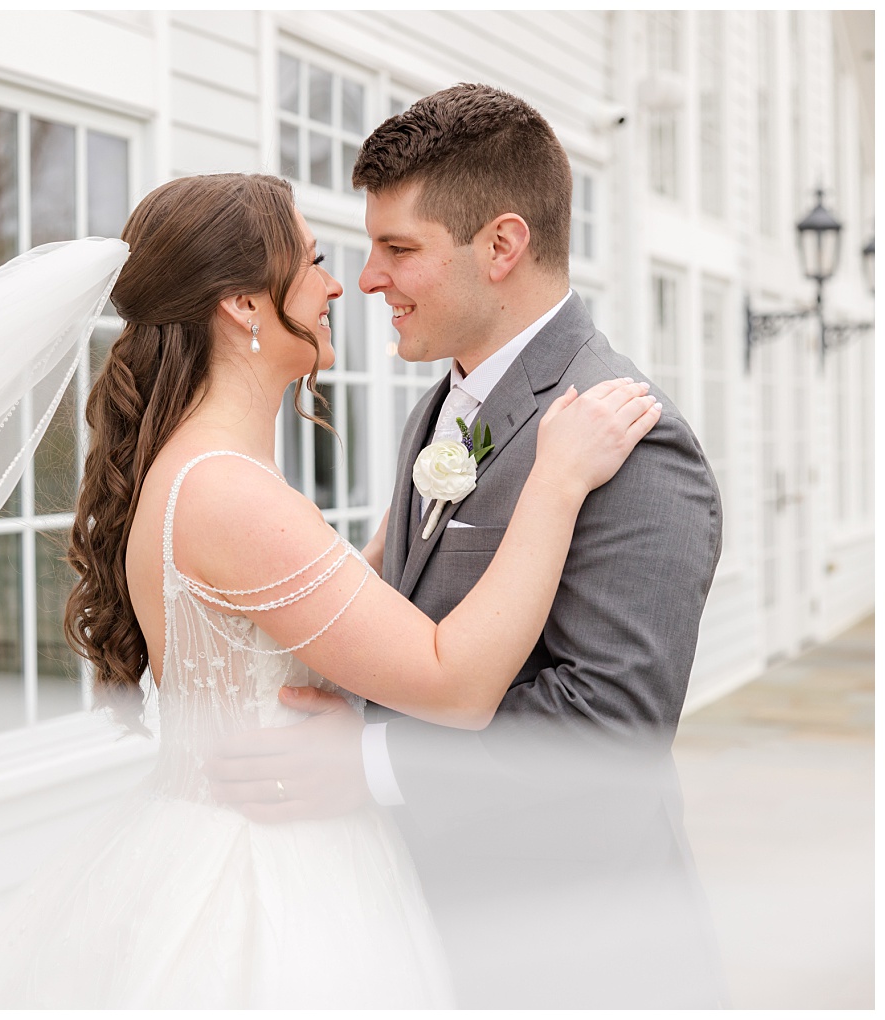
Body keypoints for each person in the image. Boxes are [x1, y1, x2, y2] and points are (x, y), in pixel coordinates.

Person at [0, 170, 662, 1007]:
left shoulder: (203, 470)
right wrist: (556, 483)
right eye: (311, 260)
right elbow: (454, 684)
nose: (338, 282)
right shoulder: (226, 491)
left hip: (219, 831)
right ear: (243, 304)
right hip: (266, 878)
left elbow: (328, 610)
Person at [207, 84, 726, 1007]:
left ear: (502, 245)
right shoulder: (442, 404)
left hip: (573, 953)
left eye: (399, 250)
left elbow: (609, 730)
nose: (367, 279)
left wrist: (366, 766)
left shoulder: (629, 438)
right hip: (433, 932)